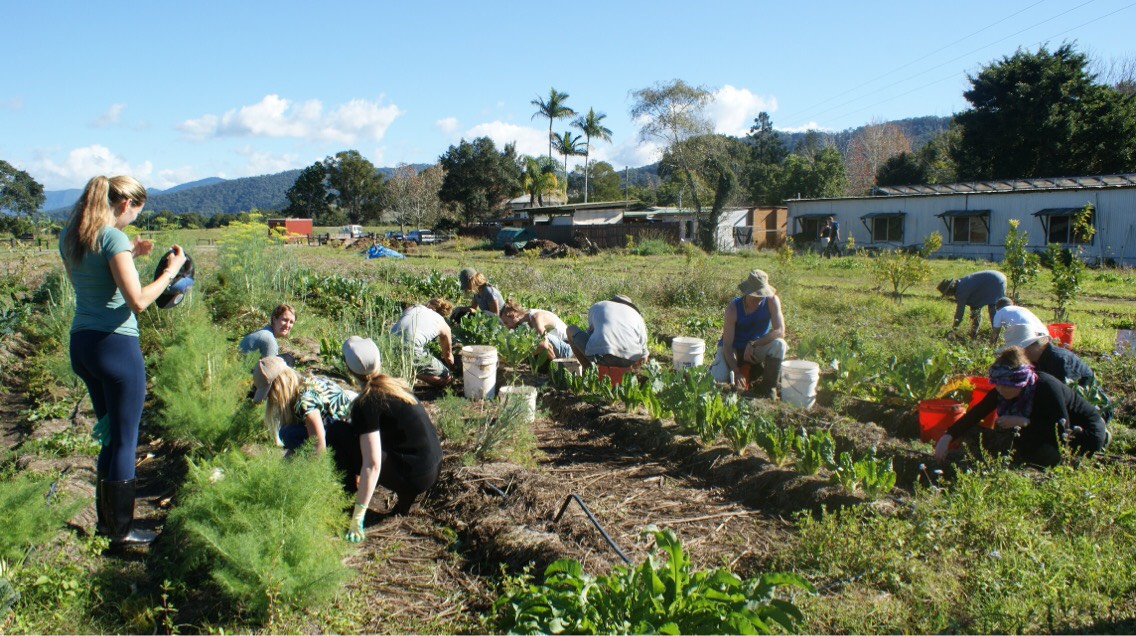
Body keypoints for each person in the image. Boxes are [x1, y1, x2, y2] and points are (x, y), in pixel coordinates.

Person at [59, 175, 187, 547]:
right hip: (116, 347)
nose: (133, 219)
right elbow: (139, 301)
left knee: (110, 435)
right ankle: (122, 531)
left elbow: (91, 283)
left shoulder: (72, 237)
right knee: (125, 440)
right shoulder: (112, 238)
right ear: (124, 205)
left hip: (83, 344)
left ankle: (106, 525)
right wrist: (169, 272)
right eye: (136, 212)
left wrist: (130, 251)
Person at [334, 337, 443, 541]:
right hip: (433, 468)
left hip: (414, 476)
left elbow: (373, 463)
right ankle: (404, 503)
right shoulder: (396, 386)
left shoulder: (366, 402)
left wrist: (359, 514)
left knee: (338, 432)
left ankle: (349, 502)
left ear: (349, 370)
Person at [934, 346, 1108, 467]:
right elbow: (975, 414)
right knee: (995, 440)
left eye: (1007, 386)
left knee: (1037, 455)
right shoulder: (1002, 388)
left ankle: (1082, 454)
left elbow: (1062, 431)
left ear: (1021, 381)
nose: (1001, 390)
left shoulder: (1046, 387)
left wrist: (1024, 422)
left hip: (1083, 434)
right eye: (998, 385)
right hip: (1042, 428)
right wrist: (947, 436)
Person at [1002, 323, 1111, 418]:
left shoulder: (1059, 360)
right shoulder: (1036, 361)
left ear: (1027, 348)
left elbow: (1065, 398)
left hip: (1091, 411)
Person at [709, 269, 788, 398]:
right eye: (756, 295)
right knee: (718, 379)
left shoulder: (772, 301)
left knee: (779, 344)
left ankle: (768, 390)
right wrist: (736, 371)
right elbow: (728, 346)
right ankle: (726, 370)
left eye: (762, 295)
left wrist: (753, 343)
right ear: (747, 292)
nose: (759, 299)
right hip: (733, 350)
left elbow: (780, 331)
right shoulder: (733, 308)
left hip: (755, 349)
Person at [252, 356, 355, 452]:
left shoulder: (305, 401)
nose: (271, 400)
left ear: (278, 389)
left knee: (287, 433)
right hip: (347, 430)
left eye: (269, 395)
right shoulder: (310, 382)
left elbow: (319, 447)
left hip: (348, 440)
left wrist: (315, 469)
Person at [567, 295, 649, 369]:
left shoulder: (599, 306)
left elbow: (590, 334)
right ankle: (631, 378)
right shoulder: (637, 316)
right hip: (630, 359)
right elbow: (644, 355)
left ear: (612, 301)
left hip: (602, 357)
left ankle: (588, 371)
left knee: (570, 329)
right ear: (630, 306)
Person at [390, 298, 455, 387]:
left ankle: (401, 368)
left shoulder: (412, 308)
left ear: (428, 304)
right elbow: (448, 356)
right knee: (447, 378)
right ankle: (413, 372)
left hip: (388, 345)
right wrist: (452, 369)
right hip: (410, 349)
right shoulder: (442, 323)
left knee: (408, 355)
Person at [938, 270, 1007, 337]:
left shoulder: (961, 290)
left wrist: (954, 328)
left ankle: (997, 335)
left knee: (993, 308)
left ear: (950, 289)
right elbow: (975, 305)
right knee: (975, 308)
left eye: (947, 293)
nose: (948, 295)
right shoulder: (960, 284)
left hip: (995, 281)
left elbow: (960, 311)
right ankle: (974, 332)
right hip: (996, 278)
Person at [499, 300, 573, 362]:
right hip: (556, 349)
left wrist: (518, 357)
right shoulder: (524, 323)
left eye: (506, 323)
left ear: (512, 315)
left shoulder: (536, 317)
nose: (507, 327)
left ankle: (557, 367)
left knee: (541, 340)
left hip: (568, 349)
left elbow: (545, 345)